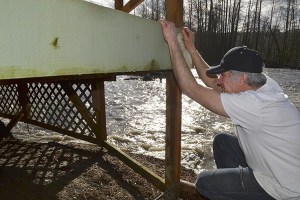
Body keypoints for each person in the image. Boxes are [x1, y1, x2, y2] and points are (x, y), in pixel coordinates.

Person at [160, 20, 300, 200]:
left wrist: (172, 41)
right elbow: (211, 82)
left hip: (283, 189)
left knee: (204, 183)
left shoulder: (256, 105)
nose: (219, 80)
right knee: (223, 142)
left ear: (241, 79)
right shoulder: (262, 84)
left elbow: (190, 88)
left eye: (223, 75)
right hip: (281, 170)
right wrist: (191, 48)